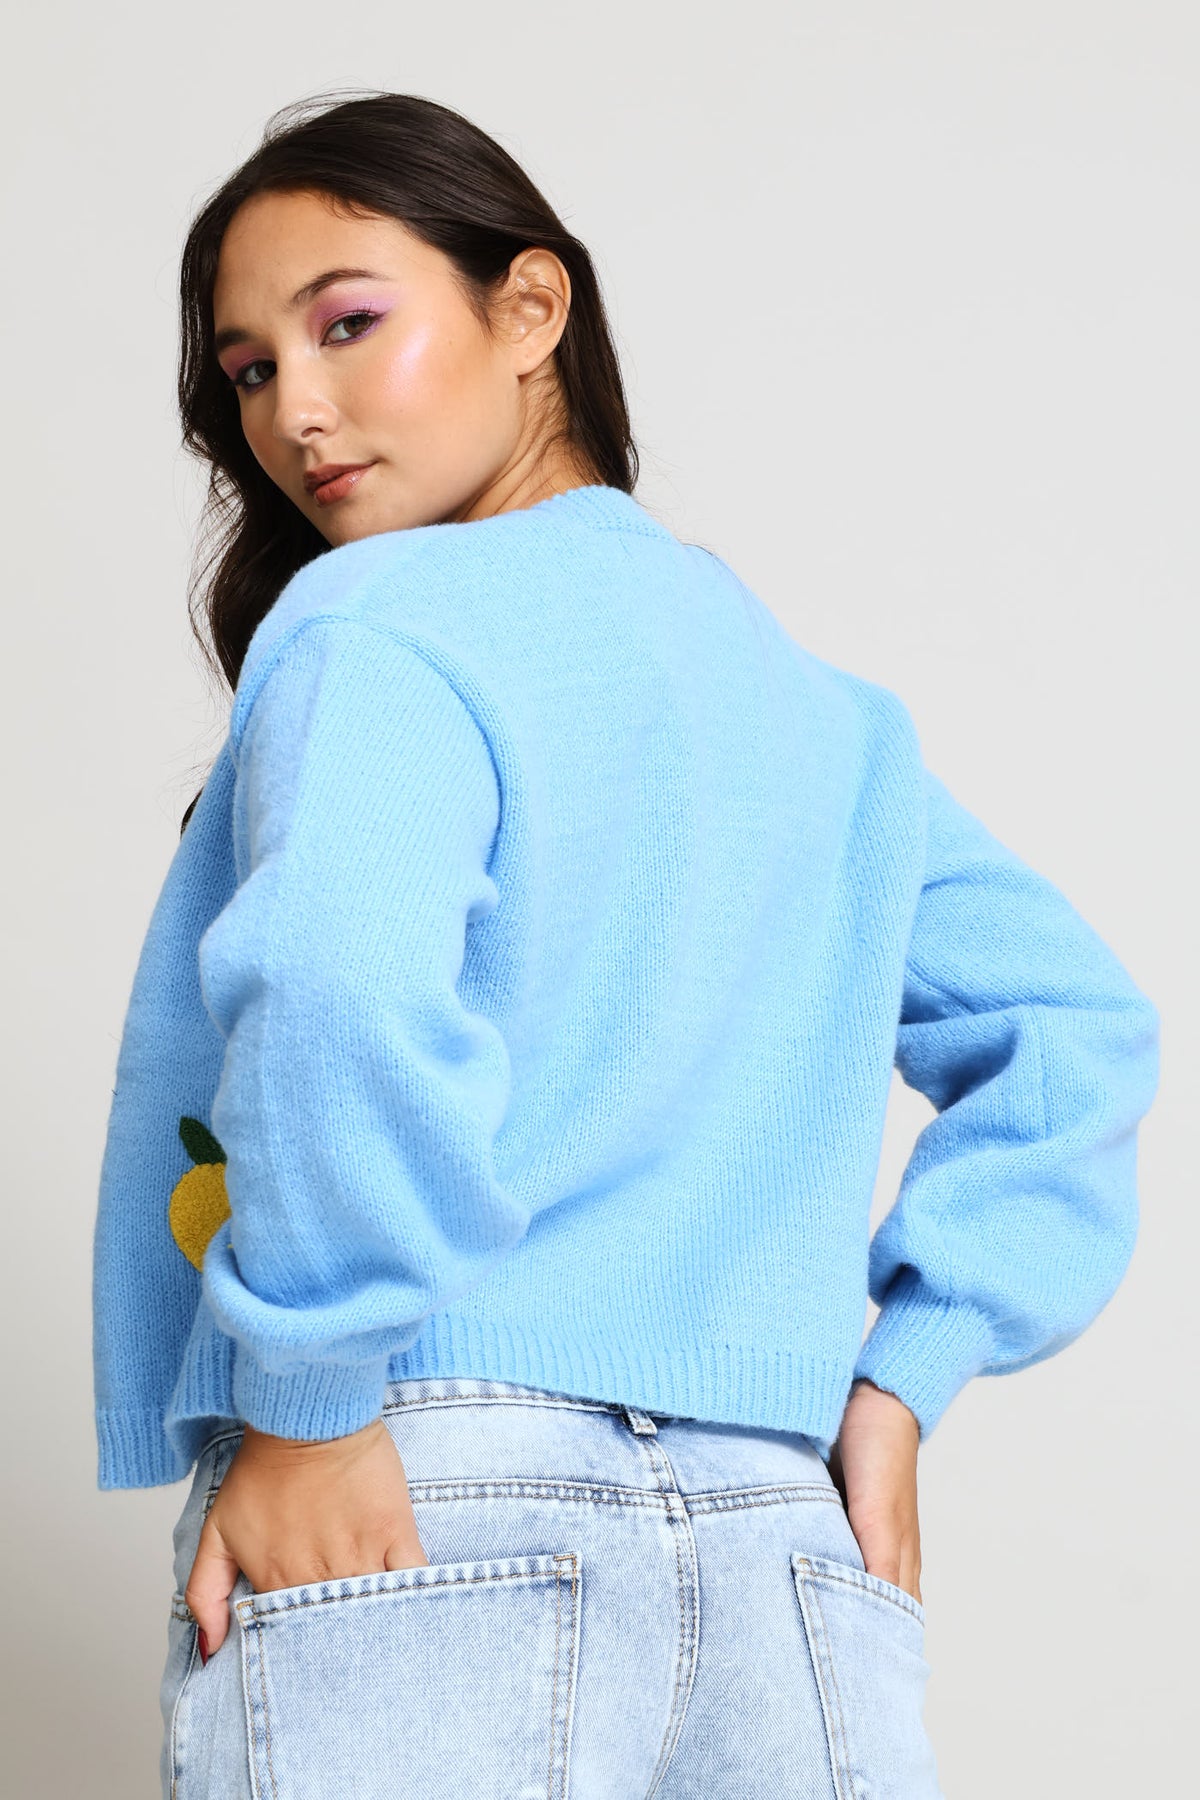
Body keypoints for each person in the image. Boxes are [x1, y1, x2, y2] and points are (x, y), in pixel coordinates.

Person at [91, 90, 1161, 1799]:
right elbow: (1075, 1026)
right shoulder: (820, 716)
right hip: (785, 1548)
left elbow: (339, 981)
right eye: (248, 369)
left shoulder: (382, 619)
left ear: (531, 308)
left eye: (347, 323)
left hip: (425, 1483)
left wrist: (310, 1393)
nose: (295, 410)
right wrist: (901, 1380)